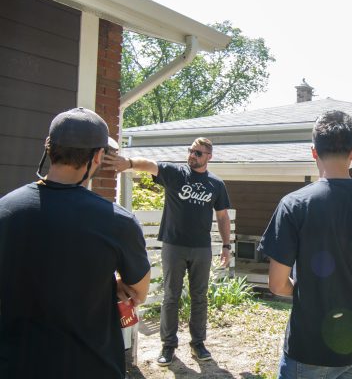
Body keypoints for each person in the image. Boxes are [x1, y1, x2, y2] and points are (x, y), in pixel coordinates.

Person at [0, 107, 151, 379]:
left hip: (15, 364)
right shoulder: (119, 222)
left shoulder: (5, 210)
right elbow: (137, 292)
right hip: (91, 366)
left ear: (49, 150)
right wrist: (111, 282)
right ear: (97, 156)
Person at [259, 110, 352, 378]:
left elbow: (278, 284)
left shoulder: (294, 205)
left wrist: (310, 292)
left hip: (309, 347)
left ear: (314, 152)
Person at [104, 137, 231, 366]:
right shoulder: (175, 173)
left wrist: (226, 246)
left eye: (198, 153)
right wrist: (128, 163)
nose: (193, 155)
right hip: (174, 246)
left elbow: (222, 217)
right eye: (191, 151)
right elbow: (150, 165)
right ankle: (168, 345)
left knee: (199, 298)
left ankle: (198, 343)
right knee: (171, 296)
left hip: (201, 249)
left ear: (209, 157)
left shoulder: (216, 184)